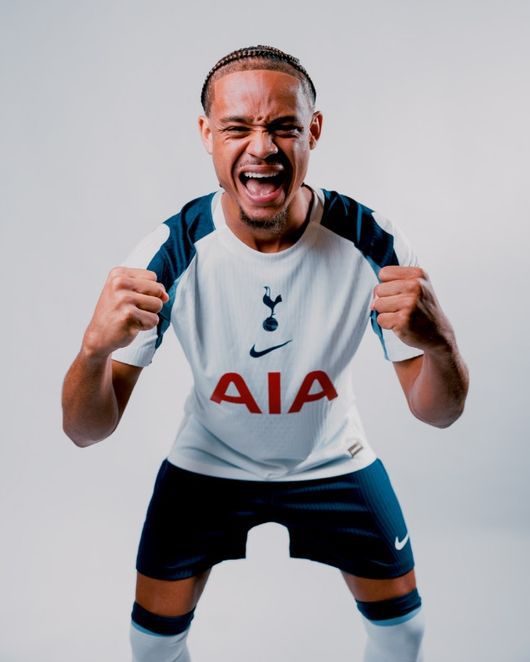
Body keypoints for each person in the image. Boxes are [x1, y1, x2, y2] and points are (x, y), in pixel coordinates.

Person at [62, 45, 469, 662]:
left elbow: (438, 412)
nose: (262, 148)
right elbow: (84, 430)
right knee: (150, 645)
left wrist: (442, 342)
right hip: (209, 462)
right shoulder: (167, 254)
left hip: (332, 458)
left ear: (314, 131)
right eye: (237, 128)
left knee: (403, 632)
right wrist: (94, 350)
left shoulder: (373, 242)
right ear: (207, 135)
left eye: (283, 126)